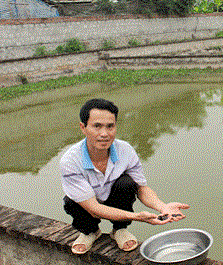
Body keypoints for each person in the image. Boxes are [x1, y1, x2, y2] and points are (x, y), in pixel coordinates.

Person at [60, 98, 189, 254]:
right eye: (97, 126)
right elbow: (93, 209)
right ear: (83, 127)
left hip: (114, 198)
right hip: (88, 204)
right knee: (71, 201)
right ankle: (90, 231)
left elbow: (141, 188)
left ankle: (119, 230)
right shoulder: (70, 161)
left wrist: (162, 206)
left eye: (110, 126)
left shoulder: (125, 150)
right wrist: (137, 217)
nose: (104, 134)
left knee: (127, 183)